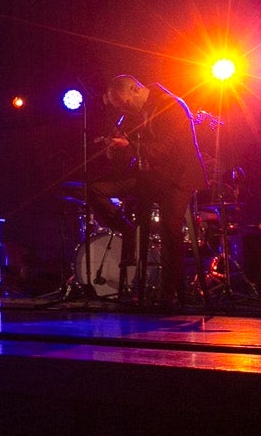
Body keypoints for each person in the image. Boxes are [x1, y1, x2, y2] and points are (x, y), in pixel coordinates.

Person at [87, 73, 208, 308]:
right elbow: (133, 146)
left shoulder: (170, 105)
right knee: (95, 189)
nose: (125, 109)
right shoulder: (138, 110)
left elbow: (164, 149)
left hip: (179, 176)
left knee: (169, 228)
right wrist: (115, 147)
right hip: (153, 176)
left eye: (125, 103)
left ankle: (168, 294)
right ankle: (129, 231)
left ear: (135, 89)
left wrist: (129, 146)